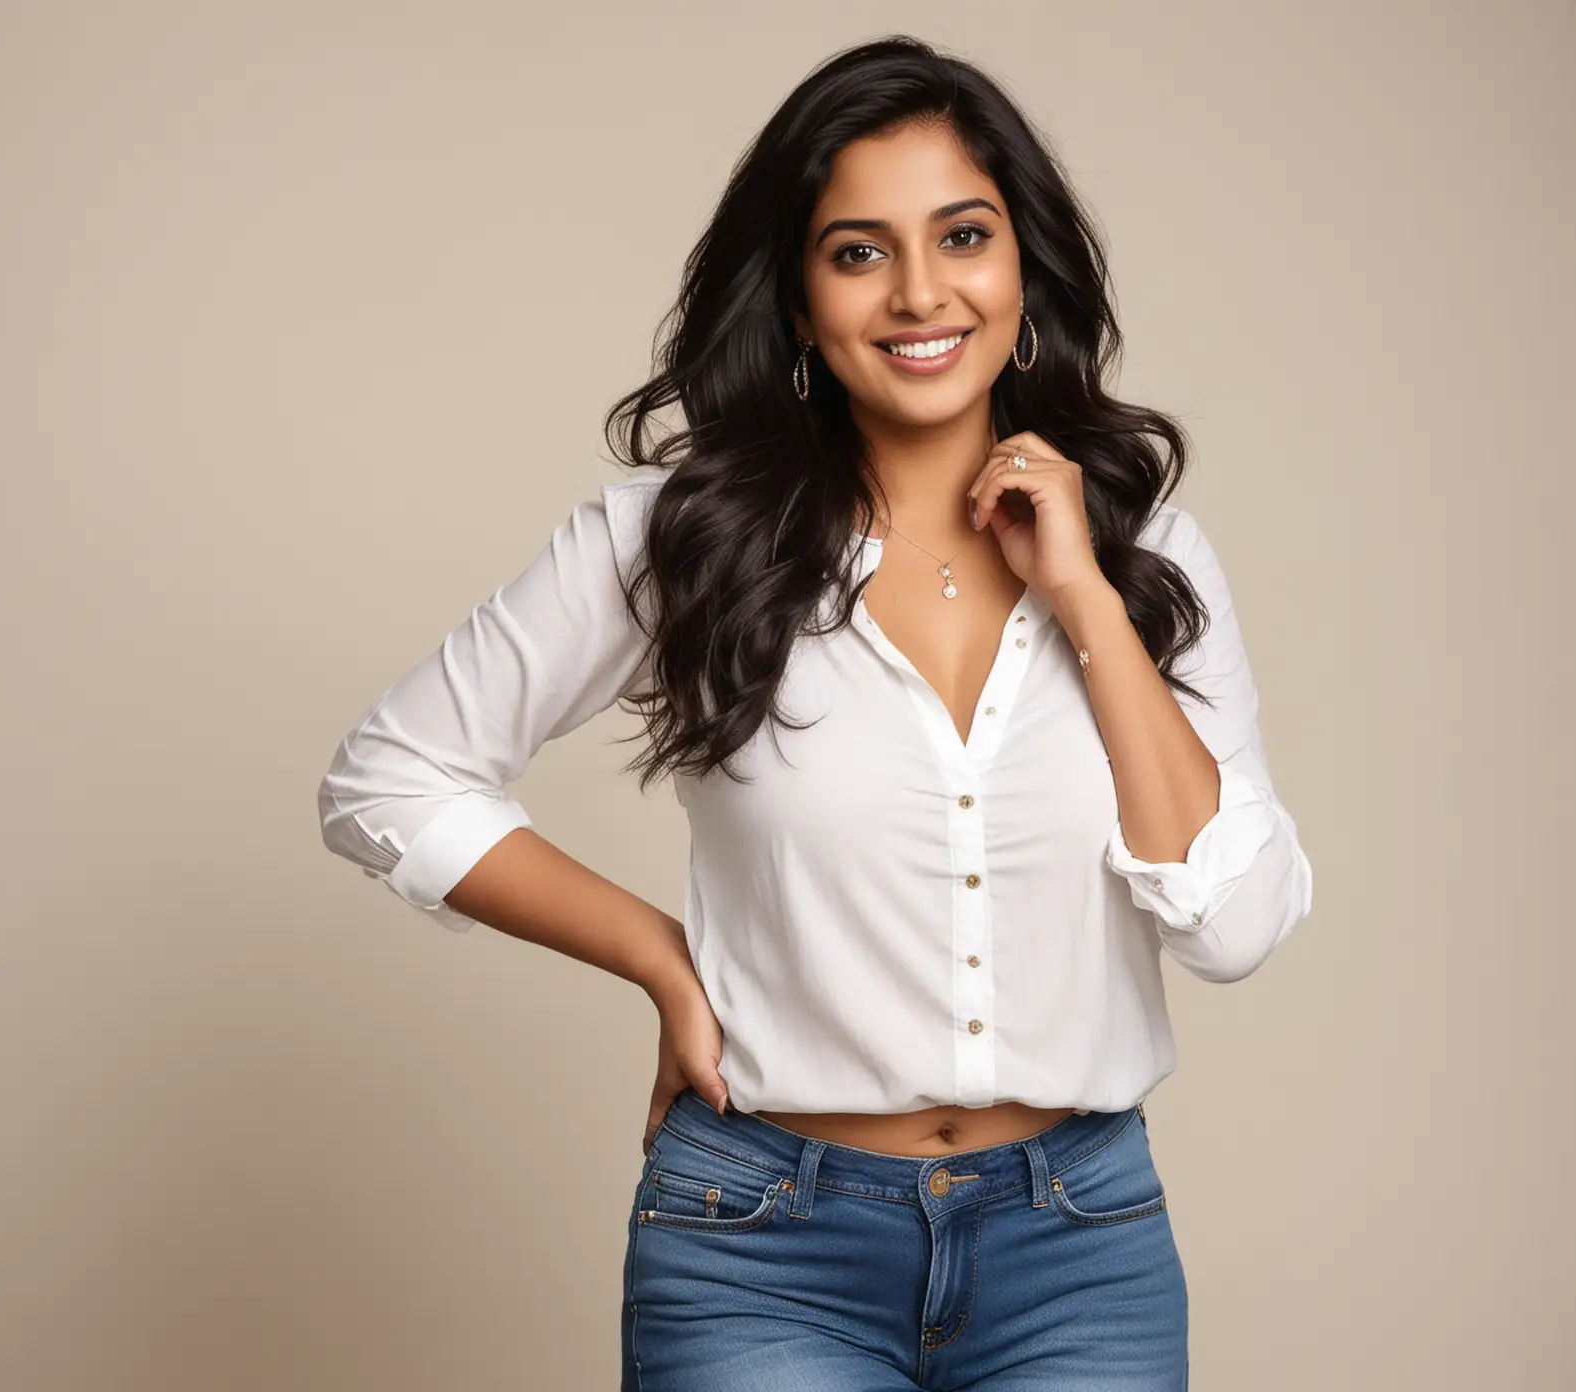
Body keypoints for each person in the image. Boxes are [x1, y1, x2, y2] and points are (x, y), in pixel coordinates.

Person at [318, 32, 1313, 1390]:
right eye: (858, 252)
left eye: (963, 235)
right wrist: (666, 961)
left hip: (1080, 1252)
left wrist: (1083, 596)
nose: (920, 292)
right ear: (795, 297)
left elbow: (1240, 925)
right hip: (759, 1243)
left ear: (1025, 265)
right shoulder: (685, 540)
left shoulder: (1154, 563)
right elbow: (392, 775)